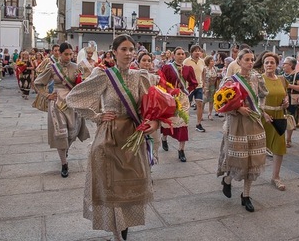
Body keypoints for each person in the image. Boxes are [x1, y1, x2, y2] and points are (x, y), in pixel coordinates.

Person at [66, 34, 158, 241]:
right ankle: (118, 233)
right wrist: (97, 116)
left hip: (133, 135)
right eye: (123, 49)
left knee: (130, 184)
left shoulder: (140, 77)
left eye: (131, 49)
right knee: (112, 185)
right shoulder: (104, 75)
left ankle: (123, 227)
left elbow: (151, 106)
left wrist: (154, 122)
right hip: (110, 136)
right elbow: (74, 97)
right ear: (114, 52)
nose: (128, 53)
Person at [217, 49, 268, 212]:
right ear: (239, 62)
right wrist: (238, 109)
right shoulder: (230, 80)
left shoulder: (256, 77)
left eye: (252, 59)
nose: (250, 62)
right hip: (237, 123)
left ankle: (246, 195)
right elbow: (221, 104)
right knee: (237, 158)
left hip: (253, 121)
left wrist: (260, 109)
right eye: (247, 59)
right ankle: (228, 180)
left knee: (253, 159)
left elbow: (263, 94)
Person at [34, 43, 90, 178]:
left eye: (71, 54)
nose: (69, 57)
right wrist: (47, 95)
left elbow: (83, 84)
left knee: (72, 133)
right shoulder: (52, 68)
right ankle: (64, 164)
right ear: (60, 53)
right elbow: (38, 83)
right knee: (61, 134)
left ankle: (65, 151)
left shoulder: (77, 67)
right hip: (58, 104)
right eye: (66, 54)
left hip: (72, 103)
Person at [160, 46, 197, 162]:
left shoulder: (188, 69)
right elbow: (162, 82)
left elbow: (193, 83)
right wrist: (169, 91)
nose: (181, 56)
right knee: (168, 122)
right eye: (178, 54)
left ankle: (181, 150)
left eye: (182, 54)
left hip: (183, 99)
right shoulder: (167, 68)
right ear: (173, 55)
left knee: (183, 123)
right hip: (170, 98)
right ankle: (164, 138)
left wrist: (187, 91)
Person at [261, 52, 289, 190]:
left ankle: (275, 177)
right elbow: (254, 99)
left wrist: (286, 101)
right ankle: (251, 173)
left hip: (278, 115)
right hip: (263, 115)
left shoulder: (282, 79)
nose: (269, 65)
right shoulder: (258, 79)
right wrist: (263, 113)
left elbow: (285, 94)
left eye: (272, 62)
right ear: (263, 65)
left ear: (277, 65)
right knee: (258, 146)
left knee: (279, 146)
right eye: (267, 62)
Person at [183, 45, 206, 132]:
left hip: (199, 86)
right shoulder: (186, 61)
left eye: (199, 51)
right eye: (195, 51)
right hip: (188, 86)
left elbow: (203, 71)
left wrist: (203, 82)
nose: (197, 52)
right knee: (186, 105)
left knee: (199, 104)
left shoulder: (202, 61)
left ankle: (198, 123)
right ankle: (184, 122)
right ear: (191, 52)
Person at [282, 56, 299, 146]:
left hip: (292, 98)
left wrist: (290, 86)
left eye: (285, 64)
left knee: (289, 118)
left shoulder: (297, 74)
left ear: (290, 65)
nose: (283, 65)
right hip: (282, 97)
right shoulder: (281, 74)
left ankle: (288, 139)